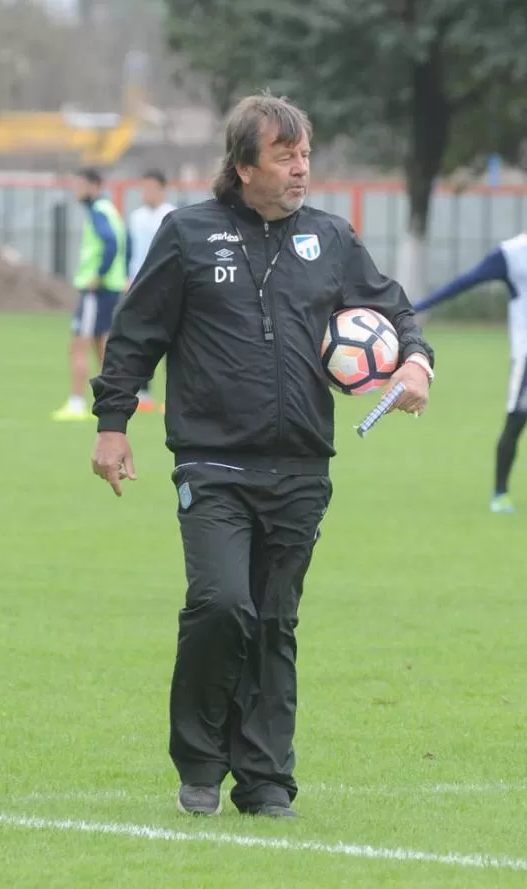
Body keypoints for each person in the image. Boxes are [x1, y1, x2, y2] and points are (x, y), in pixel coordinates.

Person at [89, 92, 434, 818]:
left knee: (274, 620)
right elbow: (135, 335)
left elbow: (398, 313)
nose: (301, 167)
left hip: (303, 467)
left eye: (305, 153)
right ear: (244, 165)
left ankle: (266, 777)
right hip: (212, 464)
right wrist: (113, 423)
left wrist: (415, 365)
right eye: (285, 154)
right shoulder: (187, 234)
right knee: (221, 605)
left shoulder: (332, 240)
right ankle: (199, 759)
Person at [414, 192, 527, 513]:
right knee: (517, 422)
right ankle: (500, 494)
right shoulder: (510, 255)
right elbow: (464, 282)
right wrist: (418, 307)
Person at [52, 168, 128, 421]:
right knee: (101, 346)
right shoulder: (110, 210)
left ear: (94, 186)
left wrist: (99, 274)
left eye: (80, 185)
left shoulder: (98, 212)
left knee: (78, 345)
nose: (77, 190)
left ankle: (76, 403)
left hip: (97, 290)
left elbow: (111, 243)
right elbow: (124, 242)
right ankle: (116, 401)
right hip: (110, 288)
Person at [125, 169, 177, 412]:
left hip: (167, 286)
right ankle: (143, 393)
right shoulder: (135, 217)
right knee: (142, 339)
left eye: (151, 188)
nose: (146, 193)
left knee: (171, 341)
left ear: (162, 189)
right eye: (143, 188)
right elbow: (130, 250)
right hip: (139, 285)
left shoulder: (172, 215)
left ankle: (171, 396)